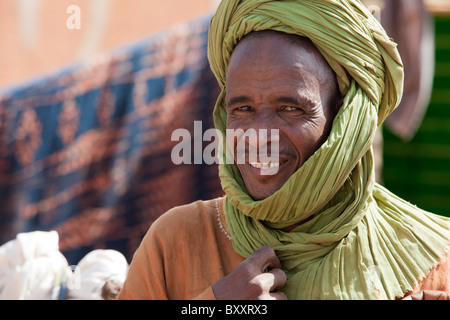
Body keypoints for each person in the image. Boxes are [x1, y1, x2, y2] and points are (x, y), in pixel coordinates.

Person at [118, 0, 450, 300]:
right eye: (243, 109)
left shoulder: (436, 262)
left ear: (346, 119)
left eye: (290, 109)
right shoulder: (175, 241)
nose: (259, 137)